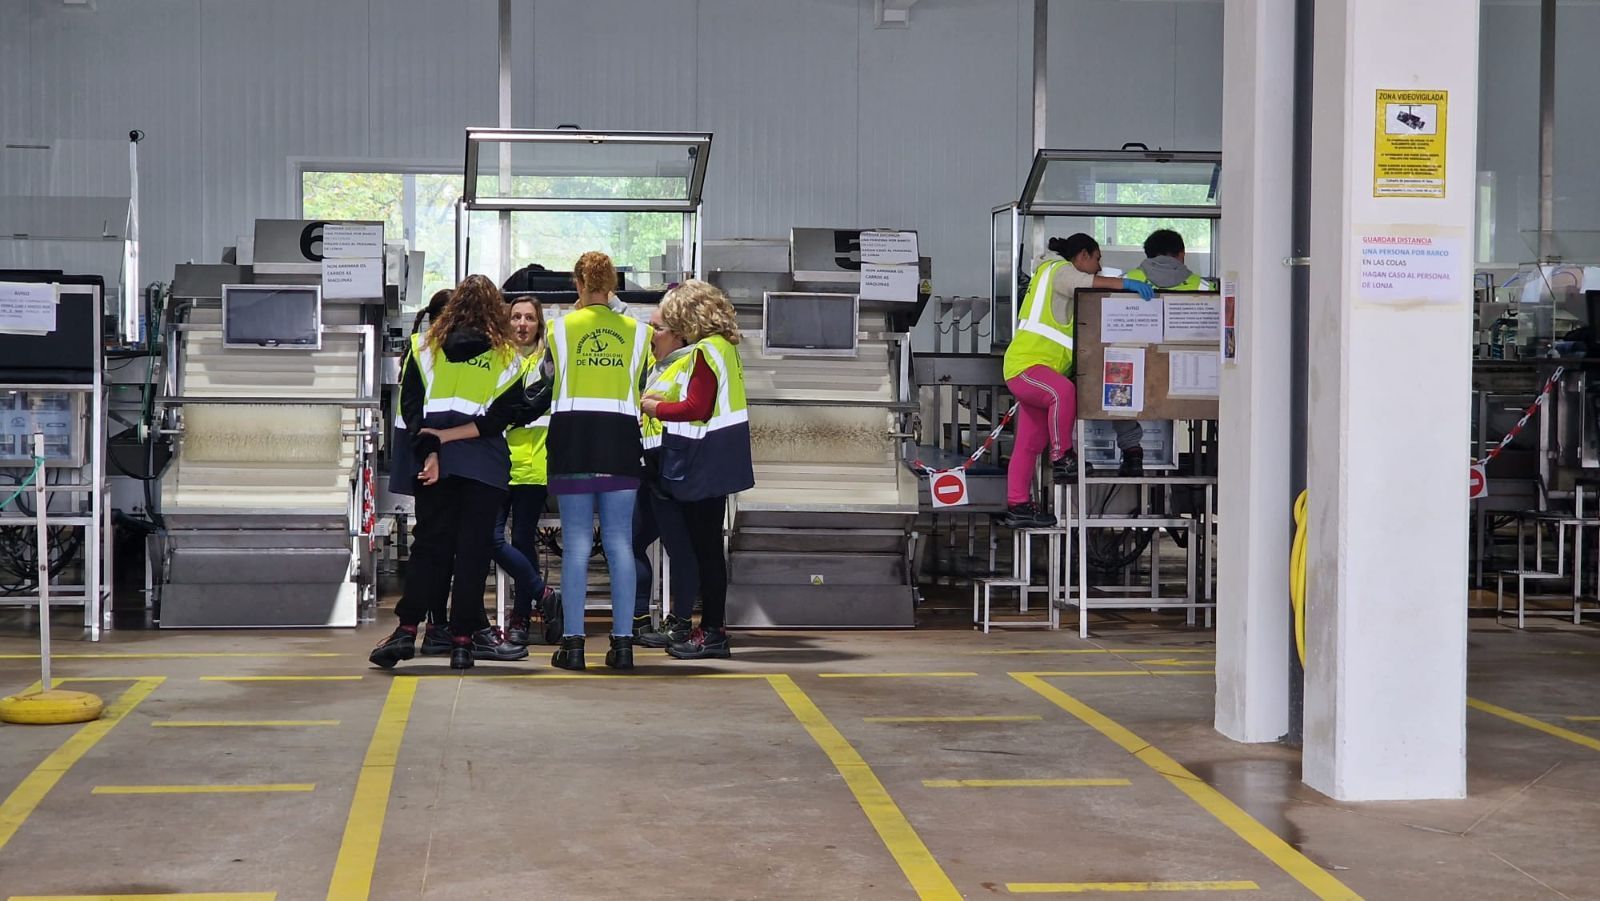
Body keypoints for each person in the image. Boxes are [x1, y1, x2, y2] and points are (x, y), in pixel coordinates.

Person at [370, 275, 534, 670]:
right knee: (473, 553)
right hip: (486, 468)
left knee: (430, 549)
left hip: (436, 468)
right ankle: (462, 641)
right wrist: (446, 439)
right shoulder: (508, 357)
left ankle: (408, 629)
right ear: (495, 310)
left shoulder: (424, 350)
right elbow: (496, 422)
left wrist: (433, 447)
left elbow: (412, 412)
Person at [1000, 233, 1154, 528]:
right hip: (1027, 367)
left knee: (1029, 444)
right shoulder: (1058, 271)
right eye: (1097, 259)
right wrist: (1125, 284)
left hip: (1038, 370)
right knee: (1063, 392)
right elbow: (1085, 282)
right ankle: (1062, 457)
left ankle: (1018, 505)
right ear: (1082, 256)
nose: (1098, 267)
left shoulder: (1055, 280)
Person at [545, 251, 651, 671]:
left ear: (577, 284)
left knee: (575, 544)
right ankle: (622, 645)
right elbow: (639, 380)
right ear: (614, 286)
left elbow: (550, 377)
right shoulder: (639, 332)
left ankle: (573, 646)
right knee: (619, 542)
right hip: (620, 439)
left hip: (572, 438)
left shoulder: (559, 328)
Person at [640, 280, 755, 661]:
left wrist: (656, 409)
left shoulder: (706, 351)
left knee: (706, 552)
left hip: (704, 461)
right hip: (722, 457)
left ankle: (712, 632)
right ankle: (711, 628)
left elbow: (697, 407)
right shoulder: (726, 348)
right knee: (708, 550)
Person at [387, 289, 457, 657]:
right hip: (432, 453)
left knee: (432, 541)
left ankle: (434, 623)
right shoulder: (433, 350)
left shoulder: (422, 347)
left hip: (424, 451)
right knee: (437, 544)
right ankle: (436, 624)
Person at [1117, 229, 1218, 476]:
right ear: (1181, 255)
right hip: (1187, 382)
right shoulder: (1204, 286)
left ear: (1148, 255)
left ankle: (1132, 450)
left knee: (1117, 387)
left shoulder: (1127, 279)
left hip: (1139, 379)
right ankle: (1208, 465)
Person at [494, 289, 561, 647]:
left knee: (521, 539)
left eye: (529, 318)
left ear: (539, 324)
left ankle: (520, 617)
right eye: (516, 317)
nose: (522, 324)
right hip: (497, 463)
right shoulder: (496, 358)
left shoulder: (549, 363)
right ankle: (545, 595)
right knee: (491, 539)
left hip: (534, 464)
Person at [631, 304, 701, 648]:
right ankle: (642, 616)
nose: (650, 335)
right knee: (632, 540)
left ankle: (682, 621)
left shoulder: (689, 364)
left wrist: (656, 406)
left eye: (656, 329)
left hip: (672, 465)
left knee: (680, 548)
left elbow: (692, 409)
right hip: (650, 466)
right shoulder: (655, 365)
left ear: (678, 334)